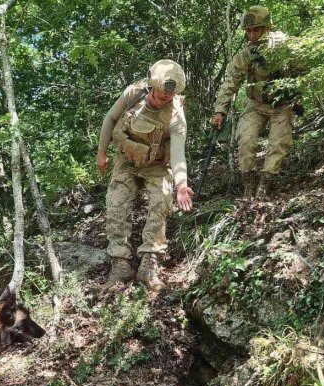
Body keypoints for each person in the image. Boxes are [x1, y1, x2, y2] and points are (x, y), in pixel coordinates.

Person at [96, 60, 194, 291]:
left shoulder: (176, 115)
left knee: (161, 202)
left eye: (170, 96)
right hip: (126, 160)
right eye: (161, 94)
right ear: (151, 86)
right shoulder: (134, 93)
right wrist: (102, 153)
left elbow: (178, 152)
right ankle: (120, 264)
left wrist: (181, 185)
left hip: (157, 164)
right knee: (116, 205)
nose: (166, 98)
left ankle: (149, 263)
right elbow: (110, 118)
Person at [211, 5, 299, 199]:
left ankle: (265, 184)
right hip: (256, 104)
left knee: (278, 144)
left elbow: (302, 71)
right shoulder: (245, 55)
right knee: (246, 139)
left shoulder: (284, 45)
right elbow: (230, 83)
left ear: (267, 28)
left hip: (282, 105)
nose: (251, 35)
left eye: (256, 29)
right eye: (248, 31)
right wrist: (220, 111)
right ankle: (249, 183)